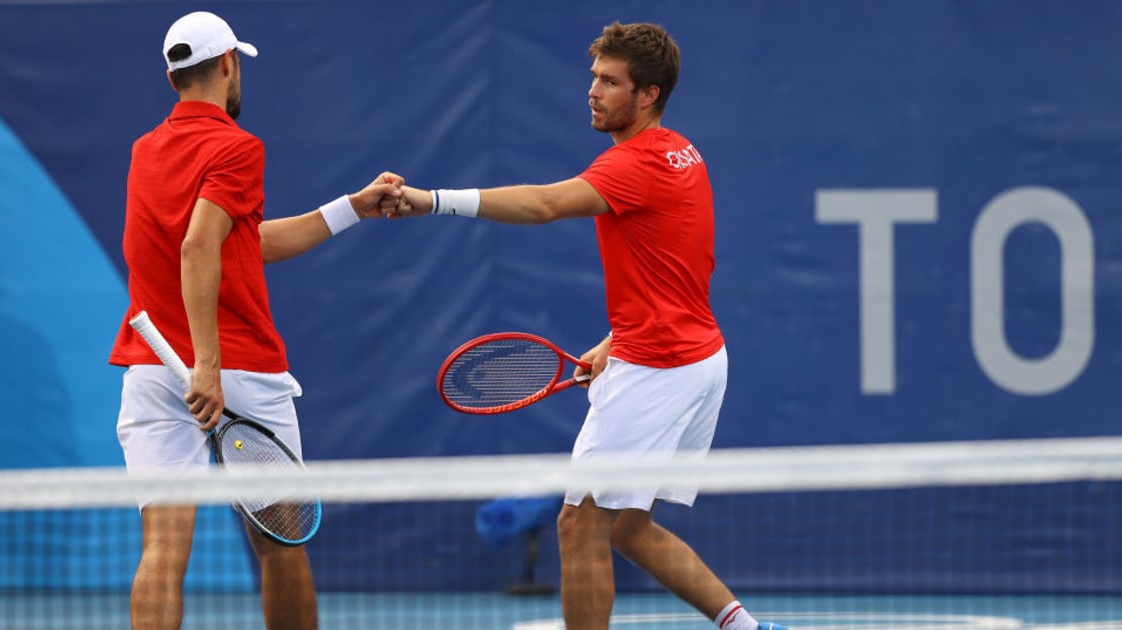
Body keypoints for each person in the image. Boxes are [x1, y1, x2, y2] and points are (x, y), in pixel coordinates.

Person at [389, 22, 786, 630]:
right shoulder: (684, 152)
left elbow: (545, 204)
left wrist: (433, 198)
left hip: (659, 369)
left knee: (578, 524)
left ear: (648, 94)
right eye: (593, 78)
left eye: (610, 82)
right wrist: (611, 342)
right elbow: (677, 267)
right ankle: (746, 628)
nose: (594, 92)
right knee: (628, 526)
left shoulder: (633, 162)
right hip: (698, 357)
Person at [108, 11, 400, 630]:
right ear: (228, 65)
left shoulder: (144, 151)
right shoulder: (238, 147)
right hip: (234, 366)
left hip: (153, 369)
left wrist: (352, 208)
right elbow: (198, 247)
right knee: (282, 545)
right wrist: (209, 367)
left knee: (163, 547)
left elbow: (241, 242)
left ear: (172, 78)